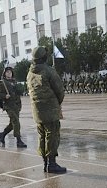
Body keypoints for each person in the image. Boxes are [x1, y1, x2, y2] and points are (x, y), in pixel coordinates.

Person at [27, 46, 66, 174]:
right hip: (50, 109)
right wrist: (57, 103)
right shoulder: (49, 71)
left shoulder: (30, 73)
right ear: (44, 57)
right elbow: (60, 90)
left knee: (42, 135)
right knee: (52, 135)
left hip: (37, 110)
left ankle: (45, 163)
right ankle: (52, 164)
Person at [0, 67, 27, 148]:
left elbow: (20, 91)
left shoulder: (14, 82)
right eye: (7, 72)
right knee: (16, 121)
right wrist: (4, 96)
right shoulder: (2, 83)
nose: (9, 73)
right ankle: (18, 140)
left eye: (10, 72)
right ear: (4, 73)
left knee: (12, 124)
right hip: (8, 105)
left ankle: (3, 135)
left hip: (16, 105)